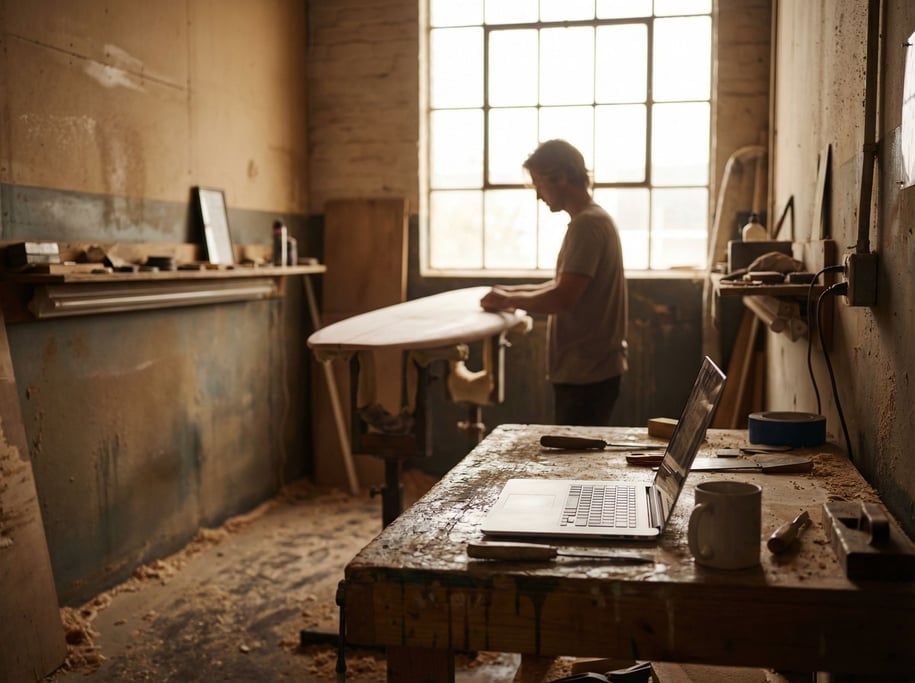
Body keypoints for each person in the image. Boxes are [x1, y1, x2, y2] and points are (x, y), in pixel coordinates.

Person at [480, 139, 628, 426]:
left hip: (587, 373)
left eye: (539, 185)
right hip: (590, 370)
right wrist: (509, 292)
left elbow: (562, 298)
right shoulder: (592, 220)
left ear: (561, 178)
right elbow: (562, 286)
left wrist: (509, 300)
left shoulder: (587, 225)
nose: (538, 196)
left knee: (576, 463)